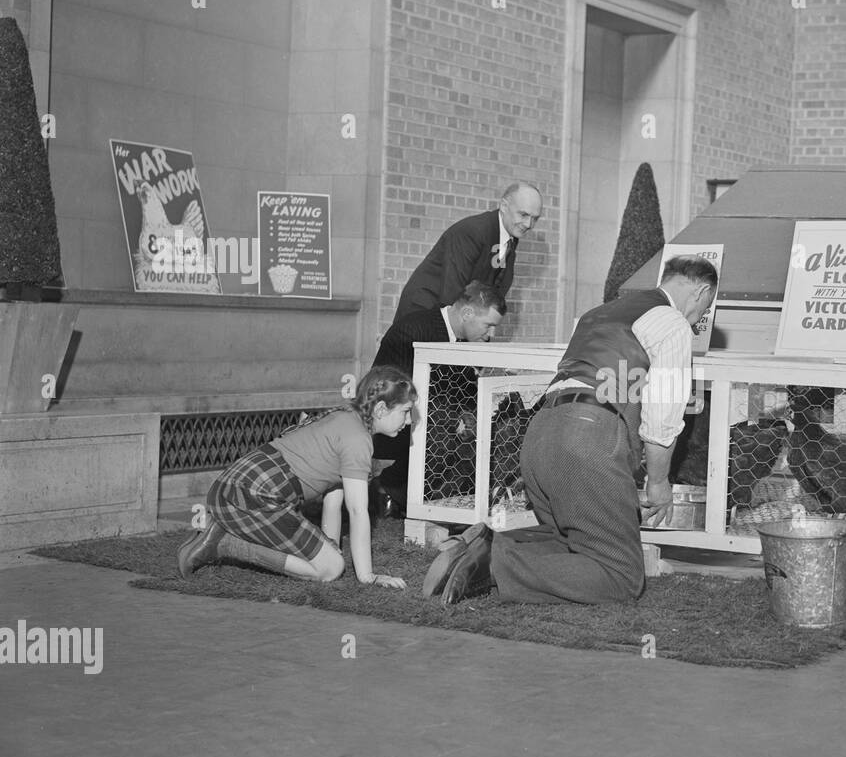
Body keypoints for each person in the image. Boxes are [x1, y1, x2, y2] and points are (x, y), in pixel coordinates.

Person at [423, 256, 719, 606]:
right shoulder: (671, 323)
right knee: (621, 577)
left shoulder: (601, 311)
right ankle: (494, 563)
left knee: (571, 541)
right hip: (588, 436)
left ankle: (491, 543)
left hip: (541, 434)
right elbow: (663, 418)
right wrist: (658, 482)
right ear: (700, 291)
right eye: (706, 309)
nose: (700, 319)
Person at [177, 366, 417, 588]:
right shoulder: (359, 440)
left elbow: (334, 497)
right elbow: (357, 511)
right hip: (255, 493)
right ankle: (225, 545)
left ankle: (221, 534)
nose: (408, 421)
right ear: (381, 409)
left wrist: (330, 546)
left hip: (237, 485)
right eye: (406, 412)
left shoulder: (346, 416)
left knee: (331, 560)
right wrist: (367, 576)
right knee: (330, 569)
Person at [371, 281, 506, 512]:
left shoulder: (473, 340)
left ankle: (451, 500)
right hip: (401, 420)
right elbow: (395, 393)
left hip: (441, 420)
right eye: (489, 325)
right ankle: (392, 492)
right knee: (449, 430)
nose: (491, 333)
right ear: (466, 313)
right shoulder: (413, 330)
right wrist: (457, 416)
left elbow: (467, 390)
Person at [394, 182, 542, 321]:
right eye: (523, 215)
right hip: (424, 313)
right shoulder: (473, 231)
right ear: (504, 206)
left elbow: (493, 288)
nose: (529, 224)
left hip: (453, 315)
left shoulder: (509, 237)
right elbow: (452, 292)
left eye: (535, 218)